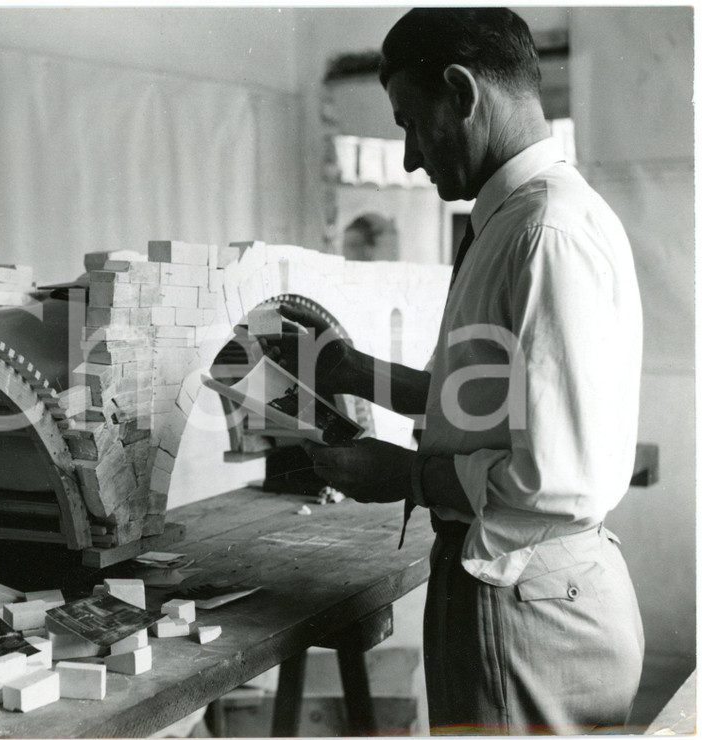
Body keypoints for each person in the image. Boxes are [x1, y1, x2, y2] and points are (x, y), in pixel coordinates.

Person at [275, 8, 645, 735]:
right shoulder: (514, 219)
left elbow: (550, 481)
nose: (411, 158)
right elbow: (487, 403)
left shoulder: (543, 232)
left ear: (463, 91)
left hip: (526, 601)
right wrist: (353, 371)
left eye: (411, 122)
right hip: (525, 585)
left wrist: (403, 477)